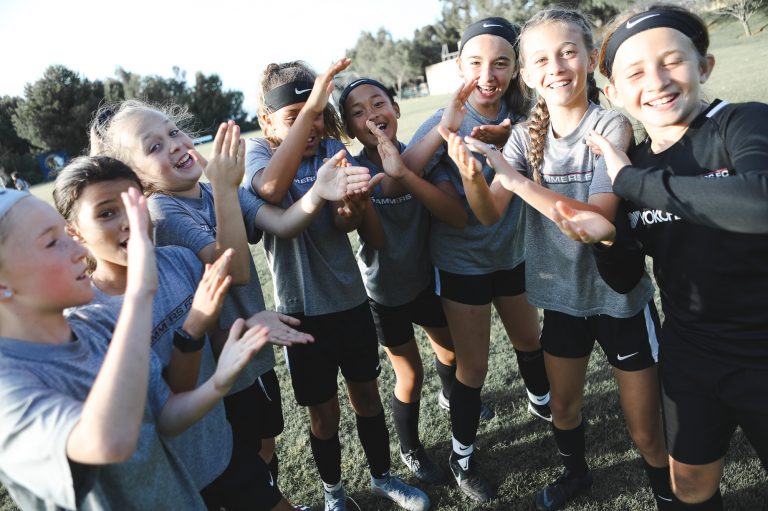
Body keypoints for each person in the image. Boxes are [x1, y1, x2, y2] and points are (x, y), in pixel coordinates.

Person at [438, 9, 673, 510]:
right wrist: (473, 176)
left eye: (568, 53)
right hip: (562, 302)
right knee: (564, 408)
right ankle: (576, 474)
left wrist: (520, 181)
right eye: (541, 59)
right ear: (527, 74)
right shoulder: (525, 136)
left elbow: (597, 220)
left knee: (644, 429)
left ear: (590, 59)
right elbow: (487, 214)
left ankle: (667, 496)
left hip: (621, 303)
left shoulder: (610, 124)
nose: (557, 66)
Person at [88, 100, 373, 511]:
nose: (173, 144)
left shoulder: (209, 191)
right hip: (215, 363)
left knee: (264, 444)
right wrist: (224, 188)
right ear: (133, 177)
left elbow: (284, 222)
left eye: (173, 132)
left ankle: (271, 497)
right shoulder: (162, 211)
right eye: (153, 147)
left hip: (253, 352)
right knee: (242, 465)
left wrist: (318, 191)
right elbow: (234, 269)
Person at [549, 5, 768, 510]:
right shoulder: (640, 164)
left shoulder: (740, 123)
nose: (657, 81)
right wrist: (607, 241)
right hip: (692, 357)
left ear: (704, 67)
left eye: (672, 62)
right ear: (615, 94)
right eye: (636, 72)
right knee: (690, 487)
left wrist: (629, 182)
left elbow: (760, 203)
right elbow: (625, 279)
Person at [53, 155, 318, 508]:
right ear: (74, 232)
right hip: (170, 479)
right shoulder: (86, 316)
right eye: (106, 213)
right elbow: (164, 403)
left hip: (221, 446)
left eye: (133, 205)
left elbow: (210, 346)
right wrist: (193, 324)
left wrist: (245, 331)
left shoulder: (180, 260)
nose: (129, 223)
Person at [0, 187, 269, 510]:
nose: (76, 248)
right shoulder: (8, 384)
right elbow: (109, 441)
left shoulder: (97, 326)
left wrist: (216, 384)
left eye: (65, 234)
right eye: (51, 241)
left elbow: (165, 416)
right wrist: (141, 292)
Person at [245, 59, 429, 511]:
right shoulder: (259, 153)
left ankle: (384, 476)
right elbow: (269, 190)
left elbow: (357, 229)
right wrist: (307, 114)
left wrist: (353, 209)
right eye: (296, 118)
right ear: (266, 119)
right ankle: (334, 493)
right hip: (300, 311)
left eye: (317, 115)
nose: (311, 128)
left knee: (367, 396)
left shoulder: (332, 148)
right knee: (323, 414)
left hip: (350, 301)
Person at [402, 17, 551, 502]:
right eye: (475, 63)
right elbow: (400, 173)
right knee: (474, 368)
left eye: (501, 62)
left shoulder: (527, 119)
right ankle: (462, 458)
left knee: (530, 339)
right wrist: (454, 144)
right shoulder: (444, 121)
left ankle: (543, 403)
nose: (488, 74)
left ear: (515, 68)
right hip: (461, 261)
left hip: (511, 253)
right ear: (460, 67)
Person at [338, 77, 469, 485]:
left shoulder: (422, 157)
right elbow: (380, 221)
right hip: (385, 292)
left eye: (378, 104)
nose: (371, 115)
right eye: (358, 113)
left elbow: (432, 189)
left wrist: (437, 132)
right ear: (349, 129)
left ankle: (451, 399)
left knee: (450, 352)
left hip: (424, 279)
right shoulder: (354, 170)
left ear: (395, 108)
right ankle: (410, 447)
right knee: (410, 374)